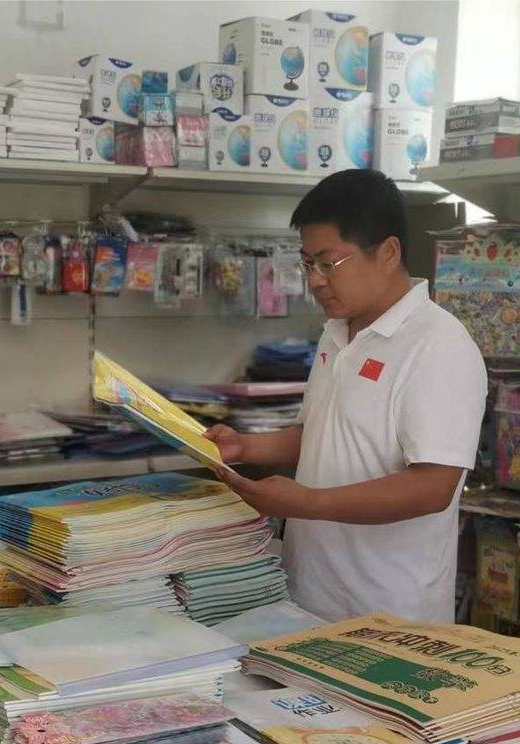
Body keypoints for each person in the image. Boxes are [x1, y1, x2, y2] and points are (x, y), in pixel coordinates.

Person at [206, 169, 487, 624]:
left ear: (388, 252)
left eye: (329, 263)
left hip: (389, 613)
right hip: (309, 596)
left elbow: (434, 487)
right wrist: (246, 447)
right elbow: (324, 434)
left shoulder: (438, 346)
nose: (315, 281)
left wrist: (306, 503)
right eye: (307, 264)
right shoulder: (337, 332)